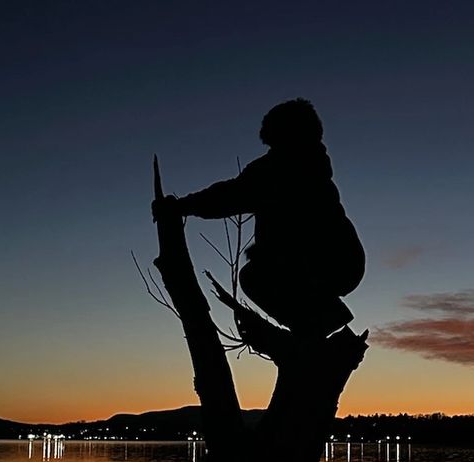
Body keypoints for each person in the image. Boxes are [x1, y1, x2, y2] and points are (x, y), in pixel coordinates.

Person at [154, 98, 365, 338]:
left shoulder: (279, 169)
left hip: (323, 261)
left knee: (254, 277)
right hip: (345, 261)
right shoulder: (314, 165)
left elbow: (230, 196)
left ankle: (315, 326)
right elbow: (233, 195)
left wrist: (182, 206)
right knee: (264, 275)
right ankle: (316, 324)